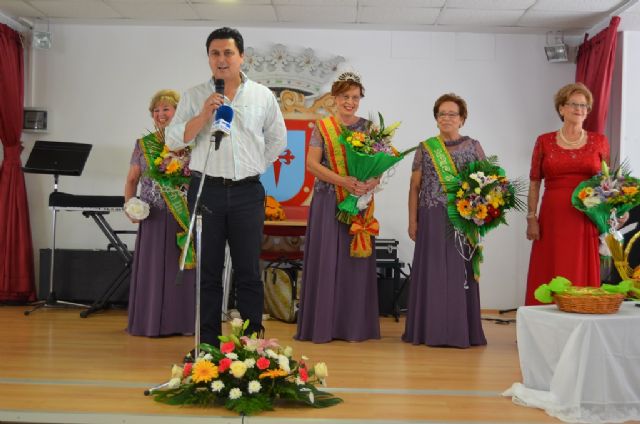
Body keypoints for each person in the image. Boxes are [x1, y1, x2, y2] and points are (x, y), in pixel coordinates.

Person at [165, 27, 287, 347]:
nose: (222, 59)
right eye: (215, 53)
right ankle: (206, 346)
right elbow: (174, 139)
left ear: (241, 56)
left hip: (248, 192)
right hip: (207, 191)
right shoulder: (194, 95)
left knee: (248, 272)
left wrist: (254, 166)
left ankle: (250, 348)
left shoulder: (261, 95)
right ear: (208, 58)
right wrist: (204, 113)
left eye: (228, 53)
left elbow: (277, 139)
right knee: (209, 274)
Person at [295, 71, 381, 343]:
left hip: (358, 201)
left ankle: (353, 327)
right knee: (327, 260)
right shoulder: (323, 127)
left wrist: (369, 183)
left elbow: (378, 166)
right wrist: (343, 180)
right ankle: (323, 325)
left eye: (355, 97)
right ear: (335, 98)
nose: (350, 102)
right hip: (328, 200)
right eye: (345, 96)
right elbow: (312, 164)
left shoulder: (369, 128)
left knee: (353, 264)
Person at [403, 93, 487, 348]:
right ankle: (430, 330)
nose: (446, 118)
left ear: (462, 119)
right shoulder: (426, 147)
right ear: (436, 118)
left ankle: (461, 331)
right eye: (442, 114)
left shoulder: (473, 146)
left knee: (459, 274)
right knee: (433, 274)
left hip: (462, 218)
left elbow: (488, 184)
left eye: (452, 114)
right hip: (430, 217)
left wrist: (481, 215)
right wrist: (412, 221)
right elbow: (414, 187)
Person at [525, 83, 610, 305]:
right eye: (574, 104)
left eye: (584, 105)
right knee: (549, 267)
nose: (580, 109)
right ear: (561, 109)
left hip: (586, 215)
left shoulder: (599, 141)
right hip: (552, 216)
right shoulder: (544, 141)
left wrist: (611, 215)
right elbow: (534, 182)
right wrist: (531, 218)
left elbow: (607, 184)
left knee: (580, 268)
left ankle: (581, 319)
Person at [125, 89, 195, 337]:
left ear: (178, 112)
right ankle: (149, 322)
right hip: (152, 216)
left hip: (181, 216)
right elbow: (132, 179)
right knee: (152, 270)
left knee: (180, 269)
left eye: (166, 109)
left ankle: (182, 322)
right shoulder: (143, 145)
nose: (160, 114)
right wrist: (129, 206)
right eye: (156, 110)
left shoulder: (191, 143)